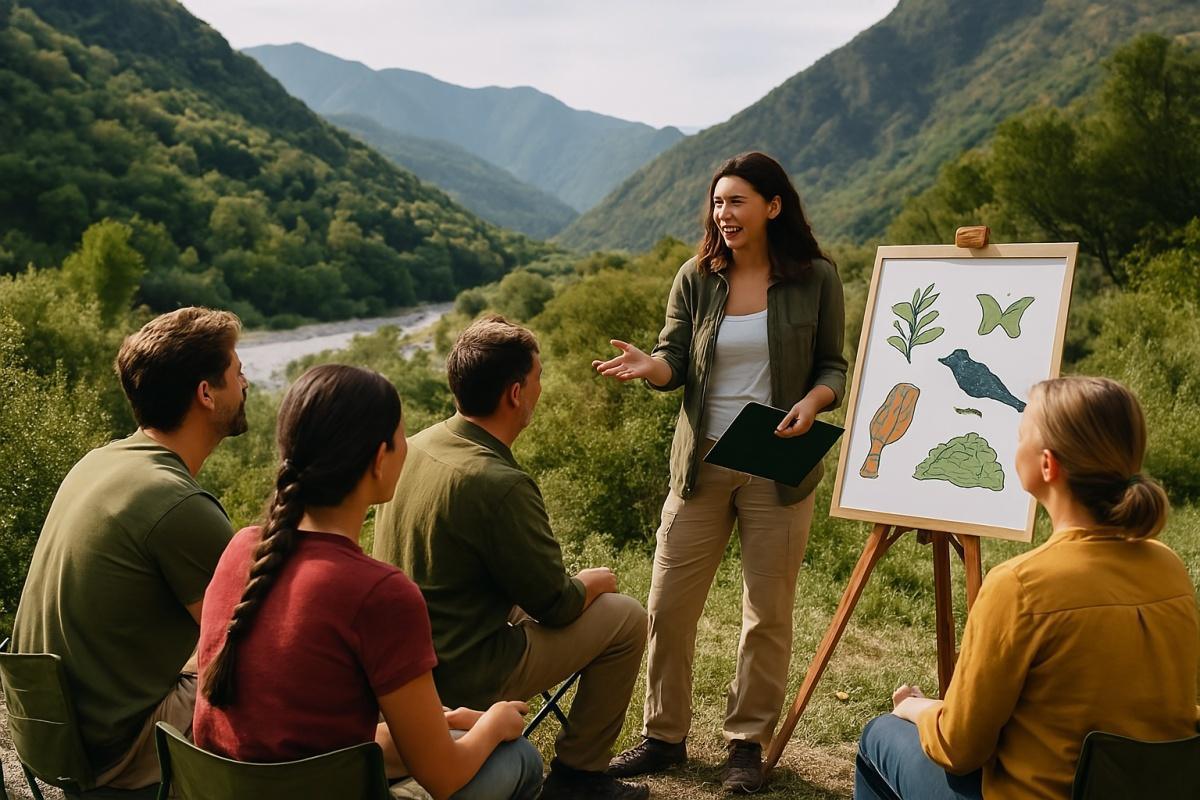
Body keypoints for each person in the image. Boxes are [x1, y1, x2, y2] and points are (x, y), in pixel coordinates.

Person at [595, 151, 848, 791]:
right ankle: (663, 736)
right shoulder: (695, 276)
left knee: (767, 612)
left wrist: (813, 402)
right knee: (667, 605)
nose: (723, 214)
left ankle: (746, 743)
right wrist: (652, 368)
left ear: (772, 206)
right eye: (717, 202)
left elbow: (832, 368)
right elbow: (672, 357)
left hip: (776, 461)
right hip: (702, 461)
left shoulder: (816, 278)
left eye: (736, 201)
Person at [193, 364, 543, 800]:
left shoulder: (242, 549)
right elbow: (444, 776)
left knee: (434, 741)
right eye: (401, 439)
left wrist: (446, 720)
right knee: (520, 757)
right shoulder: (378, 592)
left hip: (238, 790)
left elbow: (303, 713)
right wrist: (494, 724)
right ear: (380, 459)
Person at [855, 376, 1200, 800]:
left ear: (1048, 465)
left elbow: (960, 748)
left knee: (881, 735)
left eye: (1020, 433)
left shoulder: (1019, 587)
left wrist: (915, 708)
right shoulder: (1168, 567)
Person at [373, 315, 651, 800]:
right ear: (516, 394)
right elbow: (557, 605)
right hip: (467, 669)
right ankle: (580, 776)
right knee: (625, 617)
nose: (541, 389)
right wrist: (591, 582)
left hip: (404, 664)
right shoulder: (499, 483)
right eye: (538, 378)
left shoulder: (417, 445)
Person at [11, 307, 248, 790]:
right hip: (115, 748)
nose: (246, 385)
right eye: (238, 374)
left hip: (46, 730)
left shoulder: (98, 462)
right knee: (266, 681)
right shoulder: (177, 503)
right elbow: (257, 647)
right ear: (206, 394)